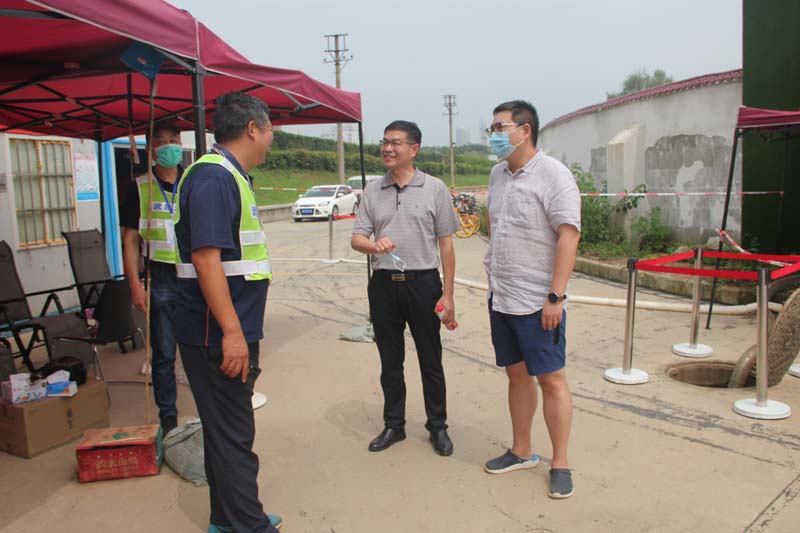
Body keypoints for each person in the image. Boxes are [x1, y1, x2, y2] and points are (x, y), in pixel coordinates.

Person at [173, 92, 281, 532]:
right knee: (235, 434)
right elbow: (206, 259)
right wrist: (232, 333)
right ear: (253, 129)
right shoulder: (214, 178)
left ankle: (227, 518)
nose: (271, 139)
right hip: (216, 334)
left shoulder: (228, 175)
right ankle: (249, 526)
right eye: (270, 130)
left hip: (226, 329)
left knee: (225, 431)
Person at [482, 100, 581, 499]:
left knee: (551, 380)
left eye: (500, 128)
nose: (493, 135)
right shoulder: (497, 175)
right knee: (516, 375)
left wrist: (556, 295)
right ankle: (521, 450)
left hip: (538, 301)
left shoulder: (553, 174)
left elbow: (569, 234)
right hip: (502, 296)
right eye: (491, 128)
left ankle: (560, 463)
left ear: (525, 131)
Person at [351, 120, 460, 456]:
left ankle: (438, 426)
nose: (387, 148)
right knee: (390, 360)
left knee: (431, 359)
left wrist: (448, 294)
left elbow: (446, 245)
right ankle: (394, 425)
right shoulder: (372, 190)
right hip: (384, 285)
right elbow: (357, 238)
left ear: (414, 149)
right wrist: (374, 246)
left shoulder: (435, 188)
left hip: (424, 284)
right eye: (384, 142)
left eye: (395, 142)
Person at [120, 122, 183, 436]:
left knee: (202, 350)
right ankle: (168, 419)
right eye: (161, 141)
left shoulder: (194, 180)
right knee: (164, 353)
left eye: (174, 140)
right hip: (160, 278)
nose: (168, 146)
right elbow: (130, 240)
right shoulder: (139, 187)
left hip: (195, 276)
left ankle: (210, 413)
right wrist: (135, 285)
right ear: (151, 149)